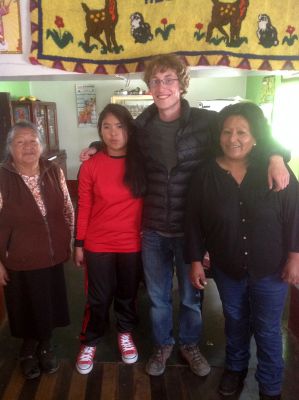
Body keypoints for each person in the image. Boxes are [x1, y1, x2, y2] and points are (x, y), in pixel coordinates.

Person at [80, 54, 290, 377]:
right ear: (148, 86)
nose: (161, 87)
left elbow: (249, 131)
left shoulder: (207, 123)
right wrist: (95, 145)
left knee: (192, 298)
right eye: (155, 81)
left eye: (168, 80)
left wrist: (278, 154)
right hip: (152, 228)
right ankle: (163, 344)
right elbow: (115, 142)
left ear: (181, 84)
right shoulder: (140, 127)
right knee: (159, 298)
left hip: (192, 229)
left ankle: (189, 344)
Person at [185, 102, 299, 400]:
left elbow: (295, 216)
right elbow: (193, 221)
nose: (233, 138)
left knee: (268, 329)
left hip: (271, 269)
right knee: (234, 323)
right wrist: (195, 261)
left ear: (256, 136)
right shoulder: (205, 174)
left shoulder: (275, 169)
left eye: (242, 132)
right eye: (227, 132)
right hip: (227, 268)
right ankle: (235, 370)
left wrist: (295, 258)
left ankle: (270, 384)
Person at [74, 104, 146, 375]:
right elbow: (84, 207)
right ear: (100, 131)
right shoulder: (91, 166)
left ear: (129, 129)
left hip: (132, 243)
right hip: (98, 243)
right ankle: (90, 341)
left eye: (119, 126)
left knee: (127, 294)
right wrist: (79, 244)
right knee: (99, 297)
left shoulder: (142, 162)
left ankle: (125, 332)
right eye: (106, 127)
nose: (113, 133)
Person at [0, 121, 74, 380]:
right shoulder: (2, 176)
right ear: (10, 148)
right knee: (23, 305)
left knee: (48, 303)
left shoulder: (53, 170)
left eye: (33, 141)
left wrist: (69, 240)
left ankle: (45, 345)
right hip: (17, 255)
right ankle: (27, 349)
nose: (28, 147)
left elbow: (67, 207)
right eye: (20, 142)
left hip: (51, 253)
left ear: (41, 145)